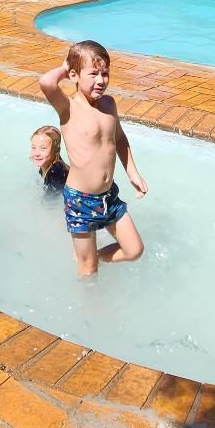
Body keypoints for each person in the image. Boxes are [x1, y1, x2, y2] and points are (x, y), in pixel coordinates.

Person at [38, 40, 148, 278]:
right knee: (88, 272)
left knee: (134, 250)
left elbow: (118, 138)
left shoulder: (109, 105)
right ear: (75, 75)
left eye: (105, 73)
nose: (101, 80)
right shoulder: (68, 107)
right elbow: (46, 82)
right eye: (94, 74)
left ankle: (90, 256)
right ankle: (90, 300)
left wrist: (132, 172)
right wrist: (65, 68)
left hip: (109, 196)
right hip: (81, 201)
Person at [30, 124, 69, 191]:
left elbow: (52, 199)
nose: (36, 153)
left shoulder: (56, 172)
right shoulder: (46, 164)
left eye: (43, 148)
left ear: (56, 150)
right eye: (34, 148)